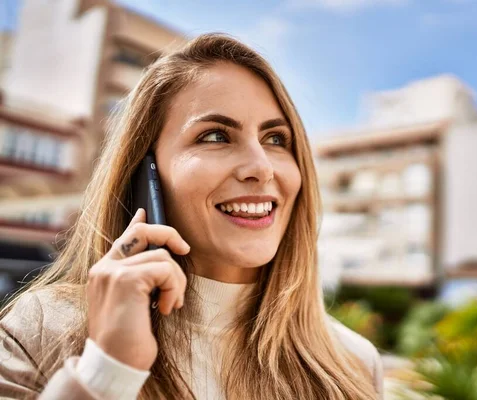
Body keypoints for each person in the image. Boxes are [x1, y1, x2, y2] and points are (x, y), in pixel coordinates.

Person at [0, 34, 383, 400]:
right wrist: (106, 372)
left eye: (276, 139)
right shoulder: (41, 329)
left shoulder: (353, 363)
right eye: (216, 136)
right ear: (144, 173)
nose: (262, 167)